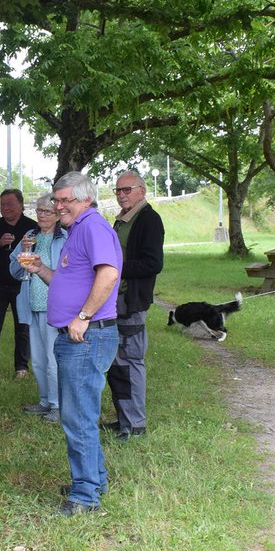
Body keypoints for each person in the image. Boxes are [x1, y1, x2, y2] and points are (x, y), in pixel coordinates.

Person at [19, 171, 121, 516]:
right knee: (80, 414)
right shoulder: (76, 229)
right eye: (56, 199)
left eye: (65, 200)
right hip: (77, 336)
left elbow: (109, 274)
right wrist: (40, 269)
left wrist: (84, 316)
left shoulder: (92, 227)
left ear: (86, 199)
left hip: (86, 336)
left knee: (77, 417)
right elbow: (68, 281)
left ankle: (85, 496)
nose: (58, 206)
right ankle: (94, 480)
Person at [105, 171, 164, 441]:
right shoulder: (123, 219)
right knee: (116, 363)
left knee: (130, 362)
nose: (121, 195)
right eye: (118, 190)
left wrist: (114, 269)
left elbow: (153, 263)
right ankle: (123, 420)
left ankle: (135, 425)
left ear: (142, 190)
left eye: (126, 190)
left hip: (132, 301)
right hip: (115, 300)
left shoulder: (149, 219)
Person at [8, 193, 65, 423]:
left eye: (47, 211)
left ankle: (58, 405)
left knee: (53, 360)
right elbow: (14, 271)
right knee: (39, 360)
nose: (42, 215)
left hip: (54, 306)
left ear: (57, 215)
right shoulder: (29, 236)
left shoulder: (65, 238)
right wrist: (22, 255)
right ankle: (44, 401)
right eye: (39, 210)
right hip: (32, 305)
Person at [0, 188, 39, 378]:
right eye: (2, 204)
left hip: (23, 285)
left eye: (10, 204)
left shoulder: (32, 227)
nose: (5, 208)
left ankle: (21, 367)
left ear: (21, 205)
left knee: (23, 327)